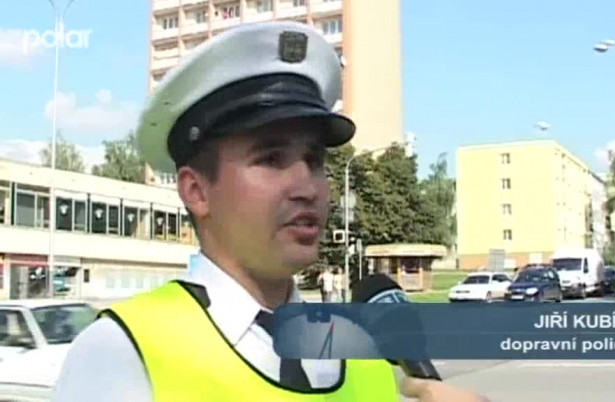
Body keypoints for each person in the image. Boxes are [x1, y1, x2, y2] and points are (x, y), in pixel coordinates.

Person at [52, 21, 486, 401]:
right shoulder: (123, 352)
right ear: (196, 191)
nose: (307, 187)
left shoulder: (362, 354)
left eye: (314, 160)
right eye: (271, 159)